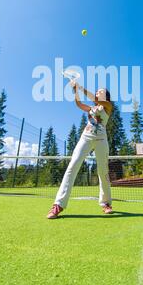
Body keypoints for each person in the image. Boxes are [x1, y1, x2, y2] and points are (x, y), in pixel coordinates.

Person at [47, 83, 113, 219]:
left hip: (101, 140)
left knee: (103, 171)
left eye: (101, 91)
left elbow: (97, 100)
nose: (98, 91)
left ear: (106, 96)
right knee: (72, 166)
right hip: (86, 138)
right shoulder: (92, 108)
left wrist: (81, 88)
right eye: (97, 90)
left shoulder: (108, 106)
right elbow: (79, 104)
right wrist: (76, 91)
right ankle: (58, 205)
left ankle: (106, 203)